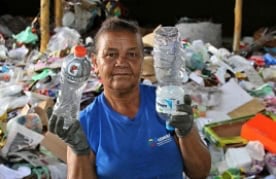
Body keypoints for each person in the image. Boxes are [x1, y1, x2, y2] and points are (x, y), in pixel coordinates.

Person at [49, 17, 211, 179]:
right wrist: (80, 152)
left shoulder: (166, 104)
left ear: (141, 61)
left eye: (132, 54)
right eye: (111, 54)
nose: (121, 62)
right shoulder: (85, 125)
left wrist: (186, 132)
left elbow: (201, 173)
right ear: (95, 64)